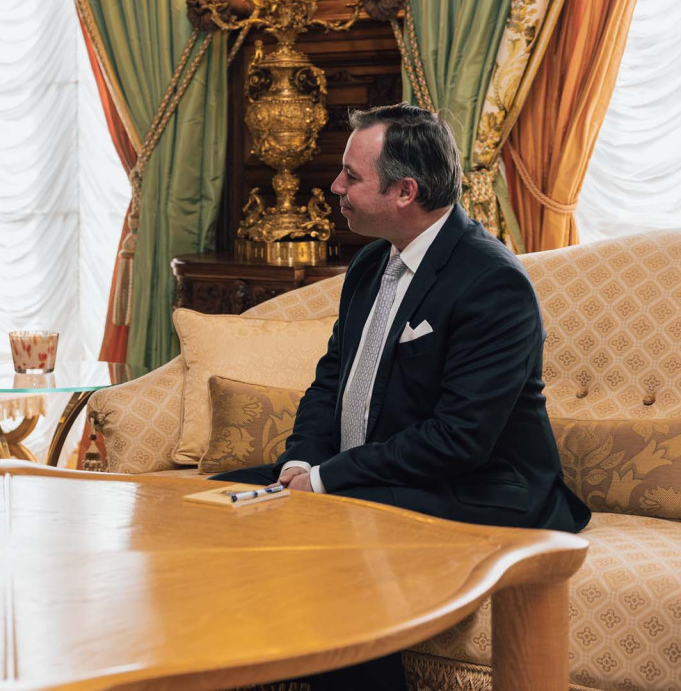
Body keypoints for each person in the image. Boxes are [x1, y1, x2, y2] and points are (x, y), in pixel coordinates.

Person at [214, 103, 589, 690]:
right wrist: (301, 463)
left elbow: (458, 440)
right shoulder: (370, 263)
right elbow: (330, 382)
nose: (334, 187)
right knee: (213, 506)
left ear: (404, 191)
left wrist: (327, 481)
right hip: (377, 472)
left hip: (479, 486)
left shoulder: (493, 282)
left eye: (351, 176)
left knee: (343, 545)